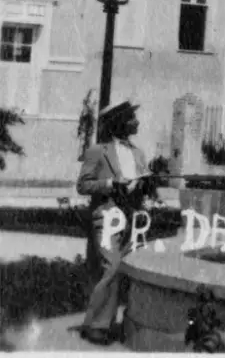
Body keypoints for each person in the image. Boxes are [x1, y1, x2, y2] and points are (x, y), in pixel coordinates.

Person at [76, 100, 149, 346]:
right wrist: (109, 185)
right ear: (119, 122)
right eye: (131, 118)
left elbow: (143, 186)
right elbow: (83, 185)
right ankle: (96, 325)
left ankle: (110, 321)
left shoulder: (139, 153)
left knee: (129, 269)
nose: (136, 122)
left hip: (131, 219)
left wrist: (149, 186)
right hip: (107, 217)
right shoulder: (98, 151)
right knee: (113, 266)